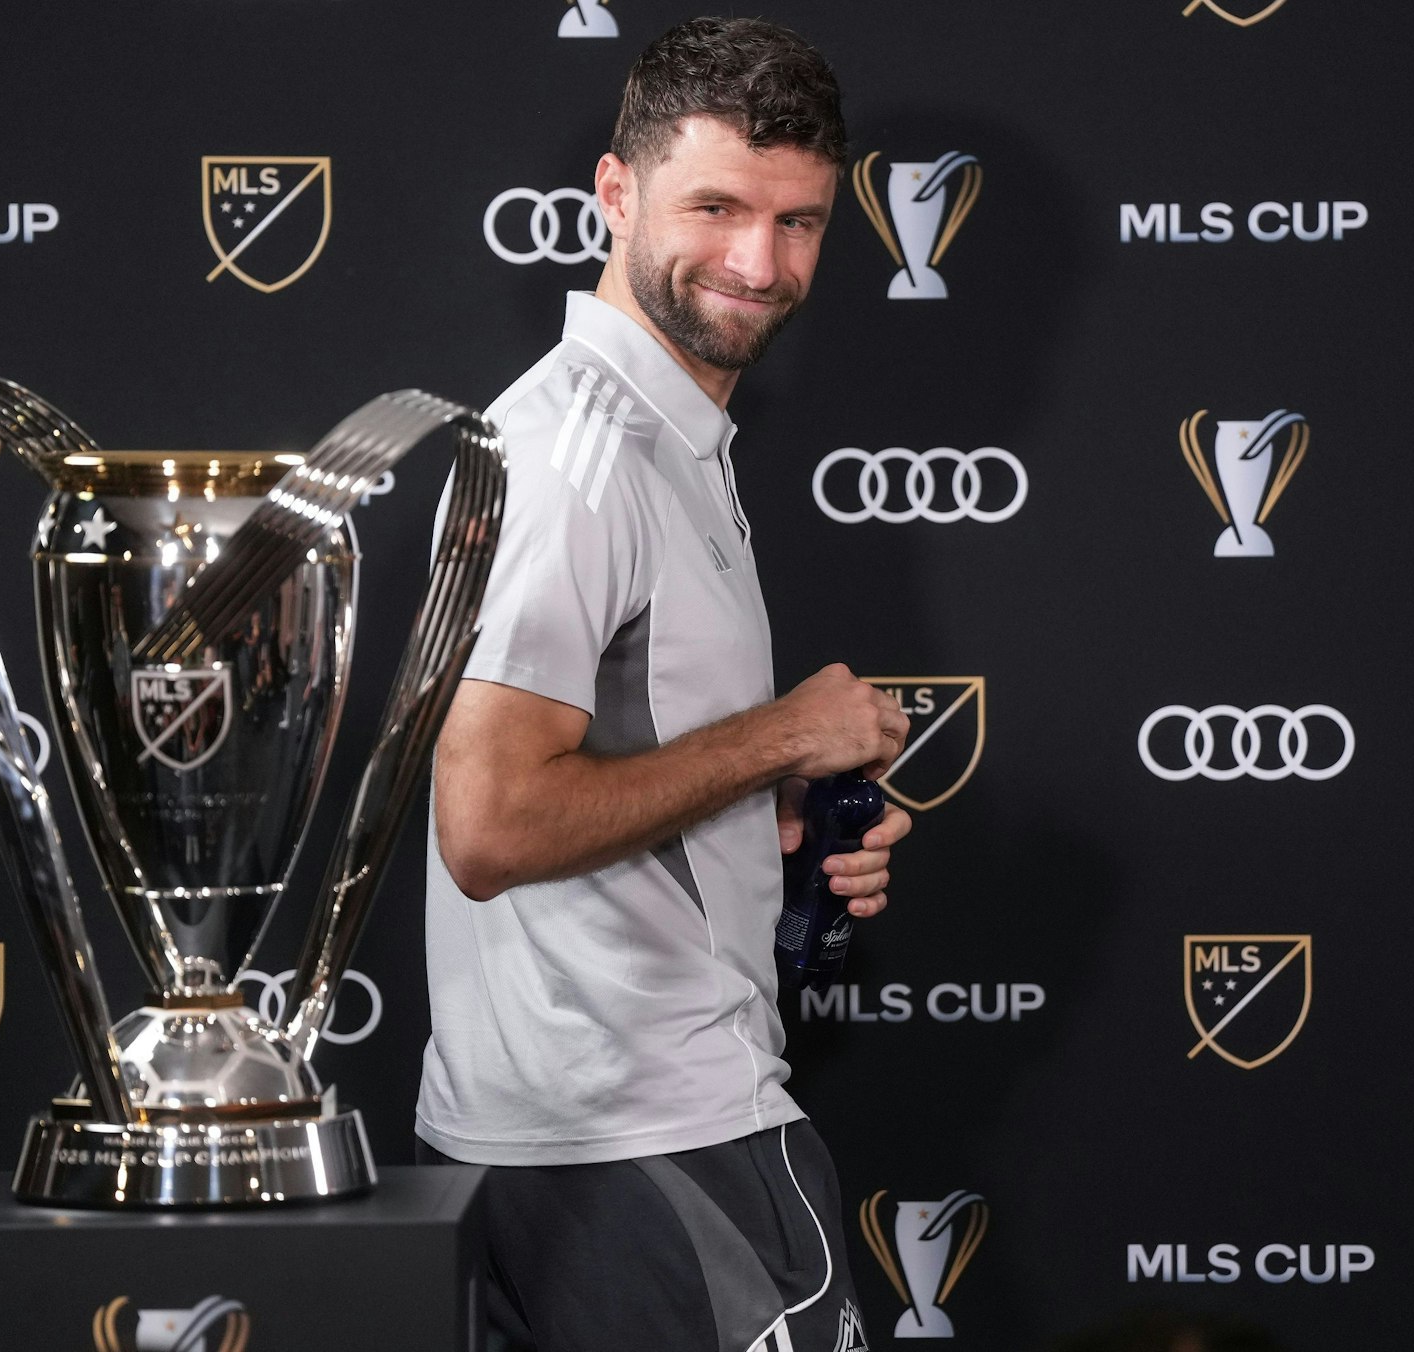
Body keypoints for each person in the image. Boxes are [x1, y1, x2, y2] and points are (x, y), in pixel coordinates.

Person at [416, 18, 912, 1352]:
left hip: (583, 1138)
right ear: (616, 194)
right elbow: (490, 824)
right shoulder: (584, 456)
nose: (762, 263)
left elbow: (610, 769)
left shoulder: (661, 437)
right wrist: (779, 738)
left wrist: (785, 824)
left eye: (800, 222)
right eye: (718, 208)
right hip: (650, 1137)